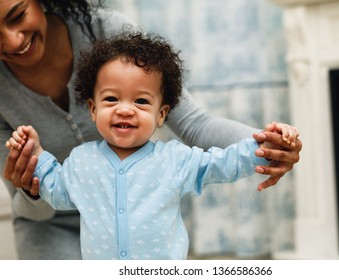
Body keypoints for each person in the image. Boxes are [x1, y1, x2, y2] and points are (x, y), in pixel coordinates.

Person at [0, 0, 301, 260]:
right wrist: (33, 164)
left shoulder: (175, 160)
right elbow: (51, 188)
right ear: (92, 107)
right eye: (111, 99)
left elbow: (214, 151)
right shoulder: (78, 164)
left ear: (162, 114)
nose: (13, 41)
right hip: (47, 226)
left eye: (17, 16)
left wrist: (265, 147)